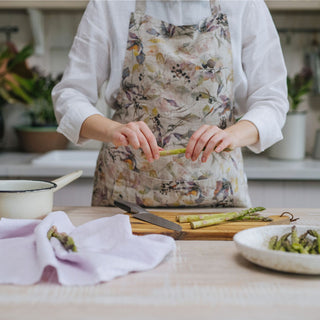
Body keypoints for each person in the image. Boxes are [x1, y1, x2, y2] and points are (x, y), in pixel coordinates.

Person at [52, 0, 288, 208]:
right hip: (124, 200)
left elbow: (272, 100)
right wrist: (113, 130)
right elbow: (70, 95)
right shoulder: (109, 5)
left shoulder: (246, 5)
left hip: (219, 198)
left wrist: (234, 136)